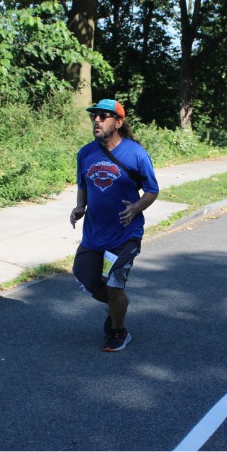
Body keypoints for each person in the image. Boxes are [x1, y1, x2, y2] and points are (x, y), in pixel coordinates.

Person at [70, 99, 159, 352]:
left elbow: (152, 190)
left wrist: (136, 208)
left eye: (103, 116)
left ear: (118, 122)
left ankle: (118, 330)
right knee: (85, 277)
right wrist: (80, 207)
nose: (97, 120)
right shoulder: (85, 153)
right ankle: (115, 304)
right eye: (94, 116)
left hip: (125, 234)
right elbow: (83, 184)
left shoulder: (136, 154)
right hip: (94, 234)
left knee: (114, 283)